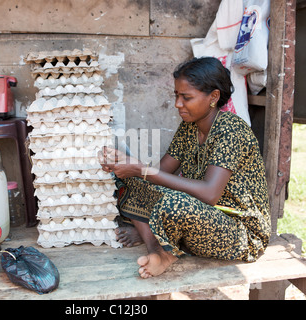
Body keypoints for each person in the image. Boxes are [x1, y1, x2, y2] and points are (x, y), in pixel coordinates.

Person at [99, 57, 271, 279]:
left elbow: (210, 194)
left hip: (238, 231)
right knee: (130, 181)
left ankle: (156, 239)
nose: (178, 104)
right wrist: (126, 165)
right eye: (176, 96)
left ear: (214, 97)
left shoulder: (231, 130)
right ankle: (155, 248)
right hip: (199, 214)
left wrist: (141, 169)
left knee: (173, 204)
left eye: (186, 97)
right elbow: (161, 171)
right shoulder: (189, 126)